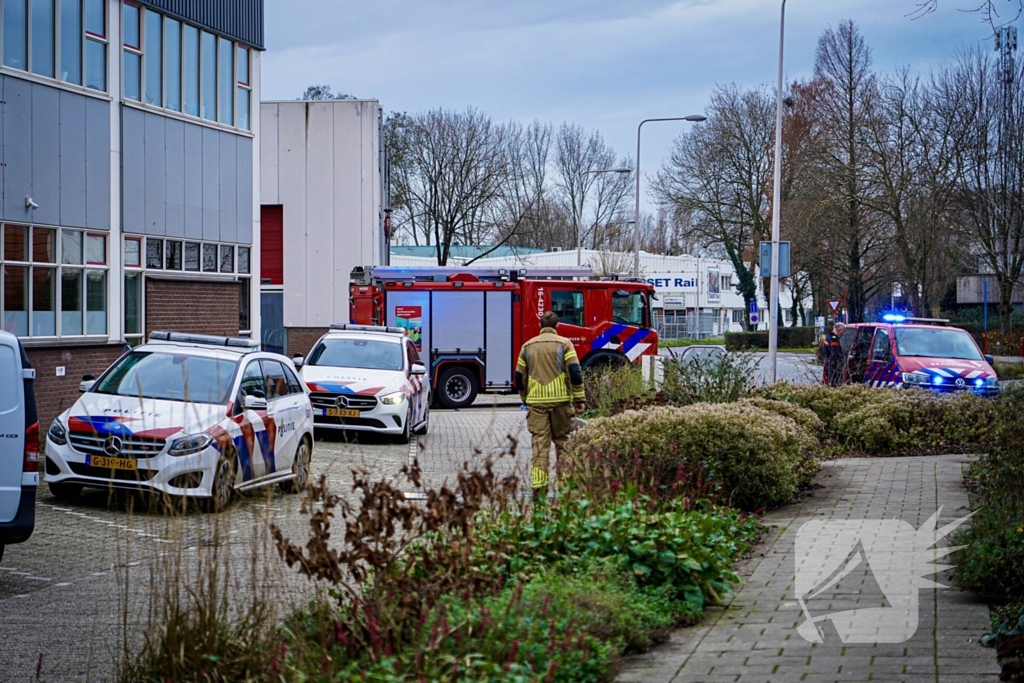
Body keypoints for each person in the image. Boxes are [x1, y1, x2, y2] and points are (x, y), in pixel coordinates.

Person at [516, 311, 586, 501]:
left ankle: (539, 490)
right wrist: (579, 399)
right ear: (557, 326)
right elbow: (575, 372)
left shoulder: (527, 347)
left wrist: (525, 398)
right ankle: (566, 489)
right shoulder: (565, 344)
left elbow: (519, 378)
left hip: (537, 405)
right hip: (561, 404)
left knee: (540, 447)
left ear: (540, 325)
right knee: (563, 445)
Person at [823, 322, 846, 386]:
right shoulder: (834, 339)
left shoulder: (828, 337)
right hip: (834, 367)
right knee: (834, 385)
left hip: (828, 366)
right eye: (843, 331)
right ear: (839, 329)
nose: (843, 333)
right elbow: (835, 353)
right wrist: (844, 358)